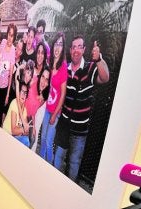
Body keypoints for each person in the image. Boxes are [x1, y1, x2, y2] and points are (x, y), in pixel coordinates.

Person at [53, 36, 109, 182]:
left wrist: (99, 60)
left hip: (80, 129)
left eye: (79, 46)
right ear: (70, 50)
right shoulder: (66, 68)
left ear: (84, 49)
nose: (76, 50)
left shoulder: (90, 68)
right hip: (64, 125)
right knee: (58, 159)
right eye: (73, 47)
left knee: (73, 164)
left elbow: (105, 78)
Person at [39, 32, 68, 164]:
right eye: (56, 43)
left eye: (60, 44)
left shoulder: (63, 67)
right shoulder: (49, 61)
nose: (57, 47)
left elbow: (63, 94)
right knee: (43, 138)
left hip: (55, 112)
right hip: (46, 108)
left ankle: (48, 167)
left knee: (49, 141)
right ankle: (39, 162)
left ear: (63, 48)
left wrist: (54, 114)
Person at [0, 23, 17, 126]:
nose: (10, 37)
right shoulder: (2, 42)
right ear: (7, 34)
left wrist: (7, 94)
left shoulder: (13, 50)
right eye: (9, 34)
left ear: (14, 37)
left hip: (3, 88)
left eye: (12, 35)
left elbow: (10, 75)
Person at [3, 83, 31, 147]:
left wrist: (25, 129)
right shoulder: (14, 103)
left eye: (26, 93)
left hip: (16, 136)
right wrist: (23, 129)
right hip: (6, 134)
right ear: (18, 92)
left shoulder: (25, 109)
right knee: (25, 141)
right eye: (22, 91)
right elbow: (13, 131)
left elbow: (26, 133)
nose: (24, 94)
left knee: (27, 140)